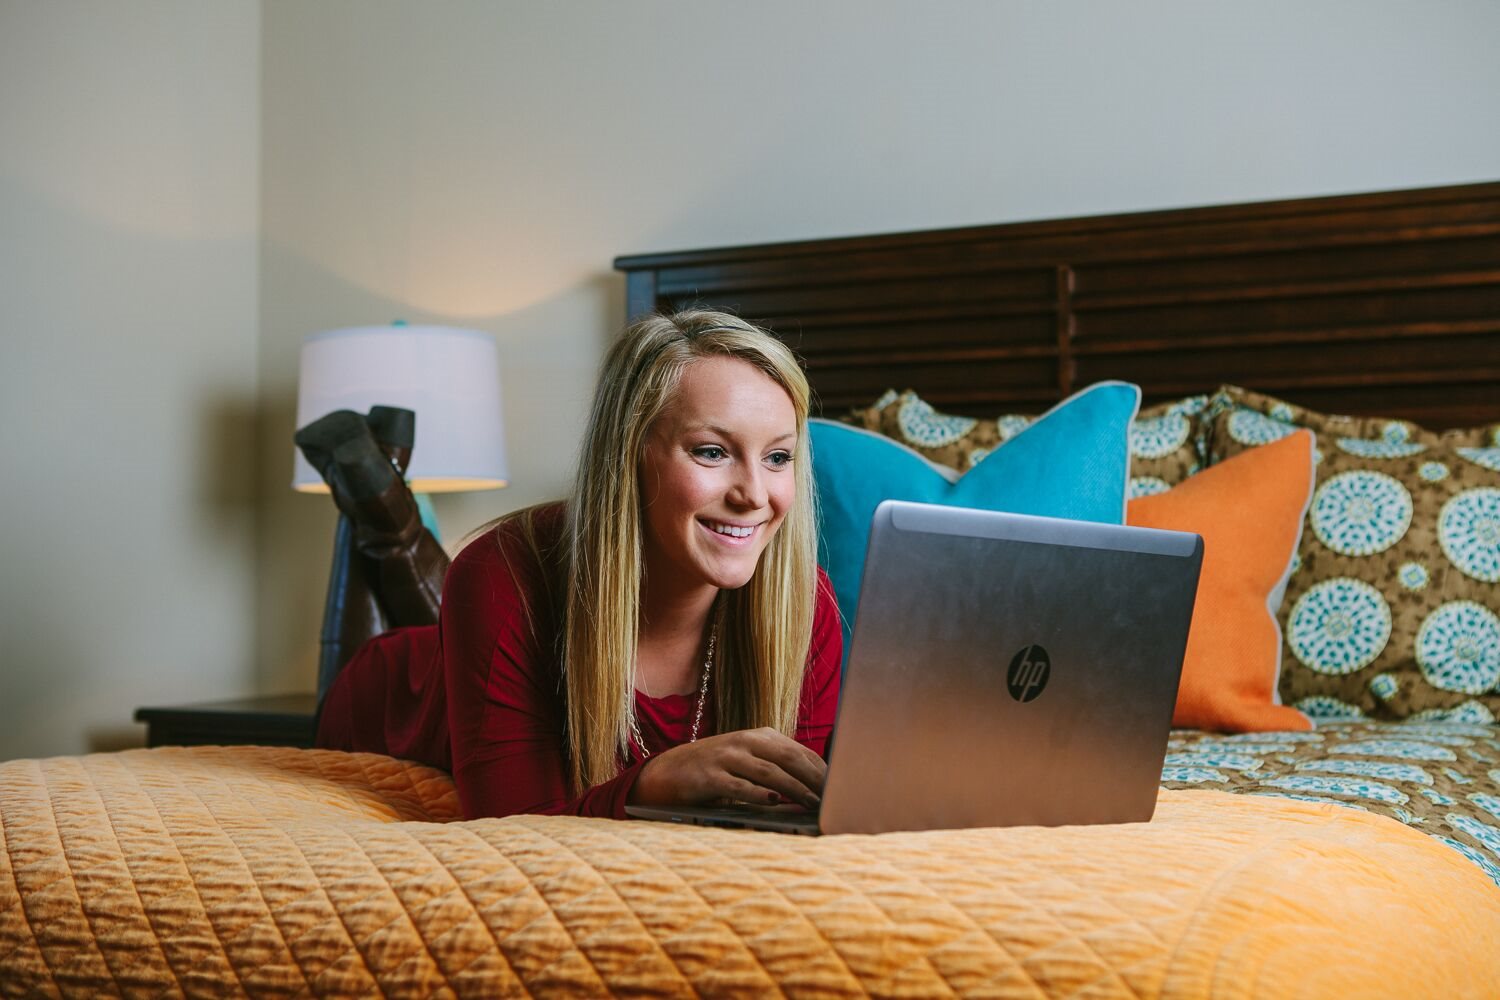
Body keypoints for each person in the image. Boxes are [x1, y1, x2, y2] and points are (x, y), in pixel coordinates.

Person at [304, 310, 843, 820]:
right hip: (389, 693)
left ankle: (381, 503)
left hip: (486, 628)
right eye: (711, 452)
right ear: (629, 451)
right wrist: (651, 784)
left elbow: (794, 809)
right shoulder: (497, 579)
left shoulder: (803, 605)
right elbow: (511, 826)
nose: (755, 496)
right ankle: (377, 508)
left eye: (778, 457)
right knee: (476, 590)